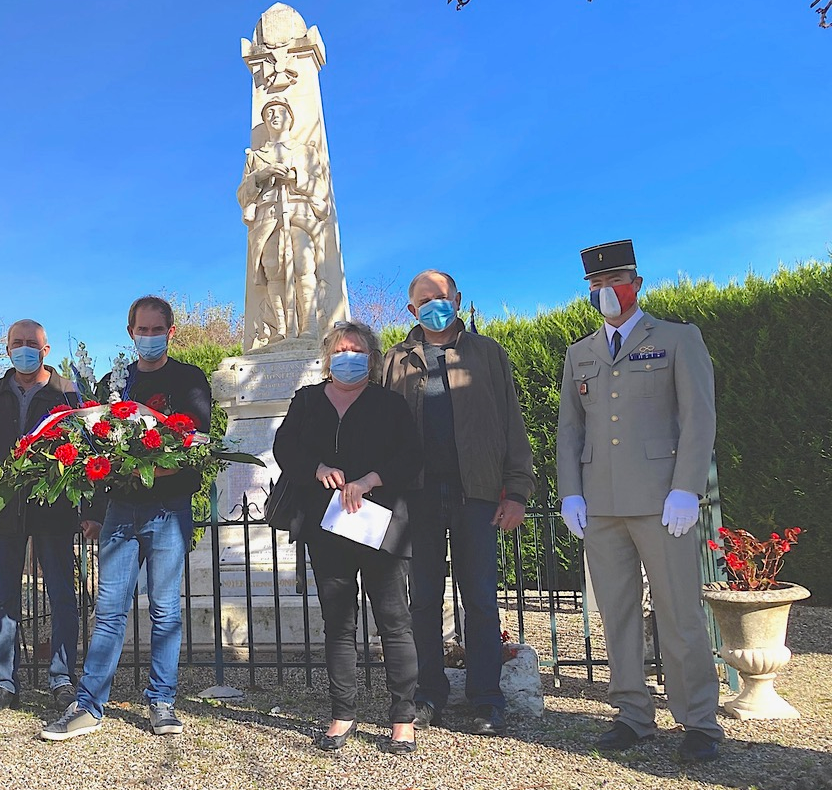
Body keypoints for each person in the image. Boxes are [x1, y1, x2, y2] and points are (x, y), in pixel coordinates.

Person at [557, 239, 723, 763]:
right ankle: (632, 714)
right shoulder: (580, 353)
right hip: (601, 504)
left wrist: (687, 486)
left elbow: (699, 417)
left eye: (615, 280)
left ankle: (698, 719)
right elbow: (570, 430)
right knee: (617, 613)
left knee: (679, 611)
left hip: (661, 501)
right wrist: (570, 491)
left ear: (637, 283)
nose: (606, 291)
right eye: (596, 284)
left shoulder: (676, 338)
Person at [41, 295, 211, 741]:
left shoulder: (189, 380)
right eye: (142, 330)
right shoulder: (114, 382)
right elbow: (96, 446)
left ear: (170, 332)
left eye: (157, 330)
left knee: (165, 610)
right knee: (110, 610)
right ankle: (89, 704)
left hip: (169, 508)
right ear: (130, 332)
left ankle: (162, 700)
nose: (149, 337)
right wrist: (97, 506)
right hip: (121, 509)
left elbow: (196, 444)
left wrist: (150, 464)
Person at [382, 270, 535, 736]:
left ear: (458, 299)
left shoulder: (487, 353)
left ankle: (486, 697)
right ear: (412, 310)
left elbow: (511, 423)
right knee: (423, 600)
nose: (435, 305)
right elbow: (378, 428)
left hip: (478, 493)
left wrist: (517, 490)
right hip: (417, 496)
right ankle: (428, 694)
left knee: (481, 600)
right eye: (425, 299)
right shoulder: (395, 360)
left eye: (443, 296)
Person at [273, 320, 422, 753]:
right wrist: (317, 469)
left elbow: (411, 456)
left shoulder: (389, 404)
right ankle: (343, 714)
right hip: (328, 527)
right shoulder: (307, 400)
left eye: (356, 350)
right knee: (338, 624)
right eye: (340, 350)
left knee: (394, 622)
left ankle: (403, 718)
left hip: (381, 526)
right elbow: (286, 449)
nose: (348, 357)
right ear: (327, 357)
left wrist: (372, 479)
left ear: (371, 358)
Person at [0, 319, 96, 714]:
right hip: (2, 510)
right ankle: (4, 683)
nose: (24, 349)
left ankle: (62, 679)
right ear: (7, 350)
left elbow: (90, 452)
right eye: (16, 343)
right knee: (2, 598)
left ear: (45, 350)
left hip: (55, 509)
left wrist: (91, 511)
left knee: (62, 596)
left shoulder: (67, 393)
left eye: (31, 343)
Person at [237, 96, 331, 348]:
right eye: (269, 112)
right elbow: (243, 194)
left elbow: (321, 187)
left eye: (280, 111)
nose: (274, 116)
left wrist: (295, 177)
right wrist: (261, 175)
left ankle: (309, 325)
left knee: (304, 265)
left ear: (290, 118)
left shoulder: (305, 151)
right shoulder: (256, 157)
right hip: (267, 217)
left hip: (298, 212)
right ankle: (281, 328)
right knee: (273, 270)